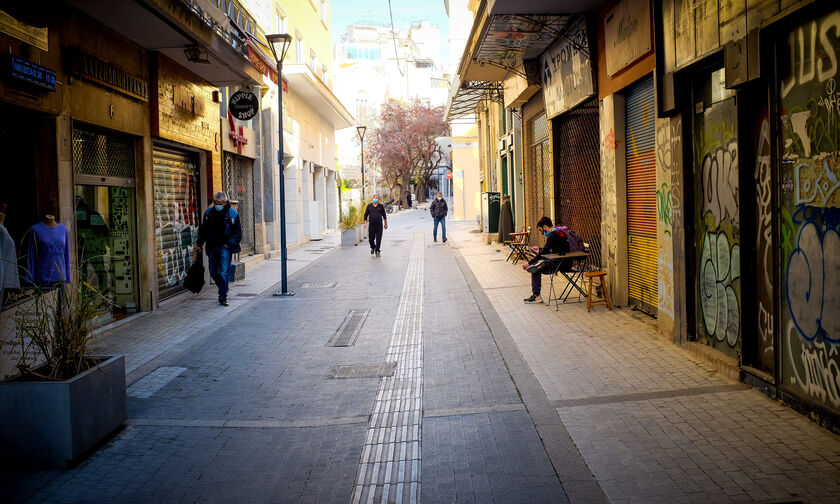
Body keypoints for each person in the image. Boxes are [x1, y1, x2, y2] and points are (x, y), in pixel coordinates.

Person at [196, 191, 242, 306]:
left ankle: (222, 296)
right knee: (212, 271)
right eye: (216, 202)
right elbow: (203, 231)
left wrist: (229, 244)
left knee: (223, 272)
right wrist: (199, 244)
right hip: (212, 247)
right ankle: (223, 288)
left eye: (220, 203)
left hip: (225, 248)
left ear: (225, 202)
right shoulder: (208, 213)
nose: (217, 205)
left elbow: (238, 233)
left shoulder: (233, 214)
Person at [522, 216, 569, 304]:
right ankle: (536, 295)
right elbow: (550, 250)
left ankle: (536, 296)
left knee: (535, 269)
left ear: (544, 227)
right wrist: (540, 250)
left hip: (559, 263)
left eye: (541, 230)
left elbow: (545, 252)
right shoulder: (558, 232)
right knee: (537, 266)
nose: (541, 233)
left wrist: (529, 263)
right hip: (565, 262)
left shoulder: (552, 235)